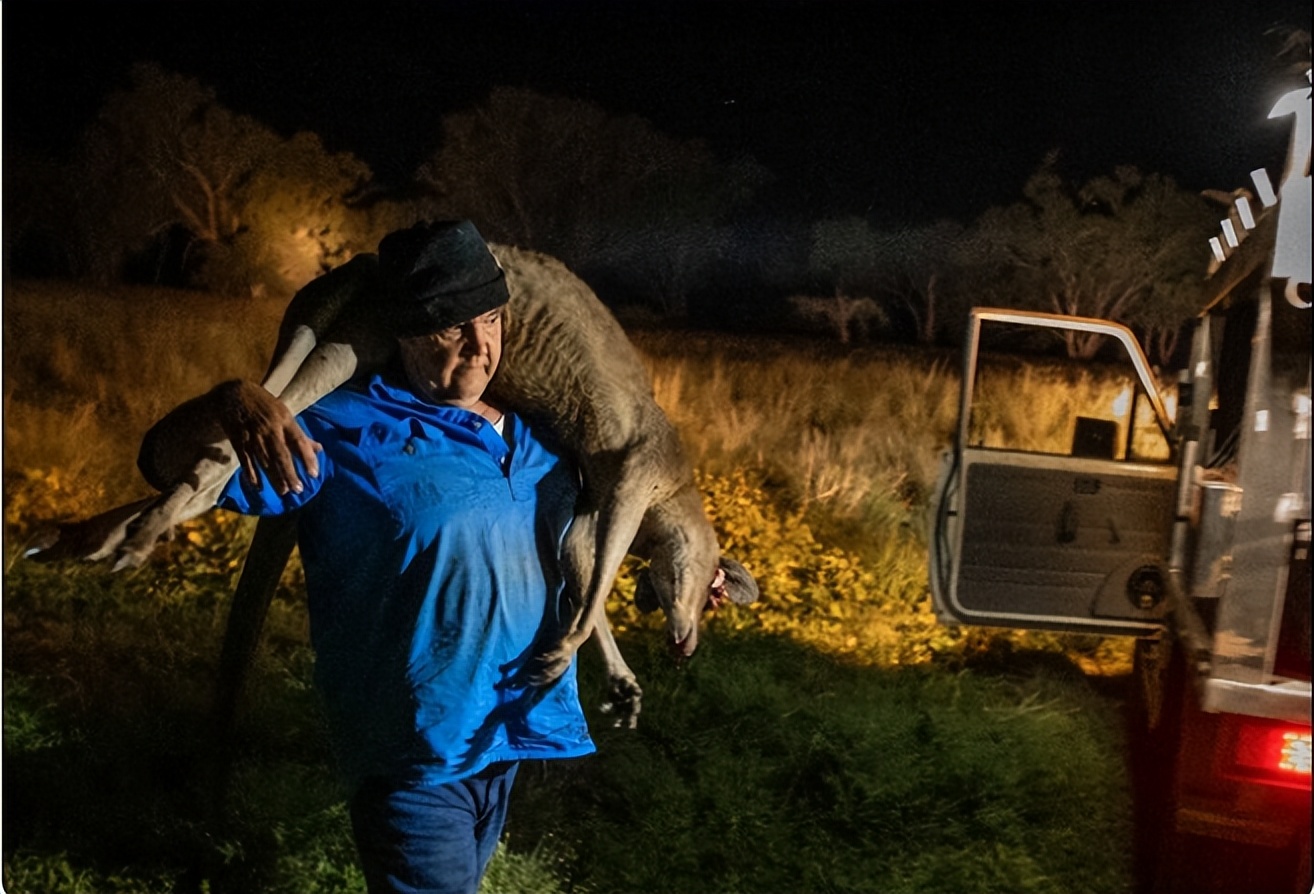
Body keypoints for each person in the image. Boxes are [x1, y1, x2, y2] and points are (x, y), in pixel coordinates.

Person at [212, 220, 595, 894]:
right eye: (453, 328)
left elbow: (592, 526)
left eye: (491, 321)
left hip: (506, 737)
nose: (480, 347)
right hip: (412, 754)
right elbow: (174, 469)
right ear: (403, 333)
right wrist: (231, 401)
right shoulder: (338, 426)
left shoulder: (541, 432)